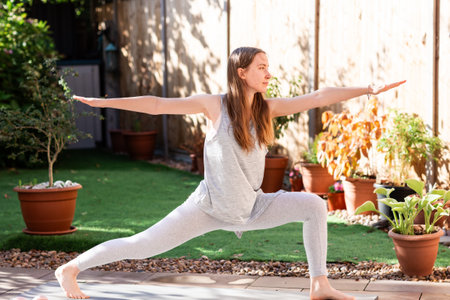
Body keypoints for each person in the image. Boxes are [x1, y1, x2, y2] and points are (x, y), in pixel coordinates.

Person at [56, 47, 405, 299]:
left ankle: (319, 284)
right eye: (262, 67)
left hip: (252, 207)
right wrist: (106, 103)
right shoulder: (215, 105)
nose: (269, 73)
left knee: (314, 205)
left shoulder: (268, 109)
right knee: (143, 246)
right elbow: (158, 105)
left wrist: (369, 89)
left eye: (269, 68)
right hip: (207, 208)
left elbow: (318, 96)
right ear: (242, 72)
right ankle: (70, 269)